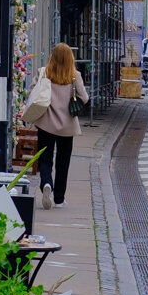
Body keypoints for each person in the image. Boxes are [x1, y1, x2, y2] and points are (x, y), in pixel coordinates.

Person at [32, 43, 89, 209]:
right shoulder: (74, 75)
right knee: (63, 162)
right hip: (67, 126)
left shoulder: (44, 73)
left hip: (46, 123)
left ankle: (46, 184)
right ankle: (59, 199)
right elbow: (84, 98)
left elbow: (31, 93)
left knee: (45, 158)